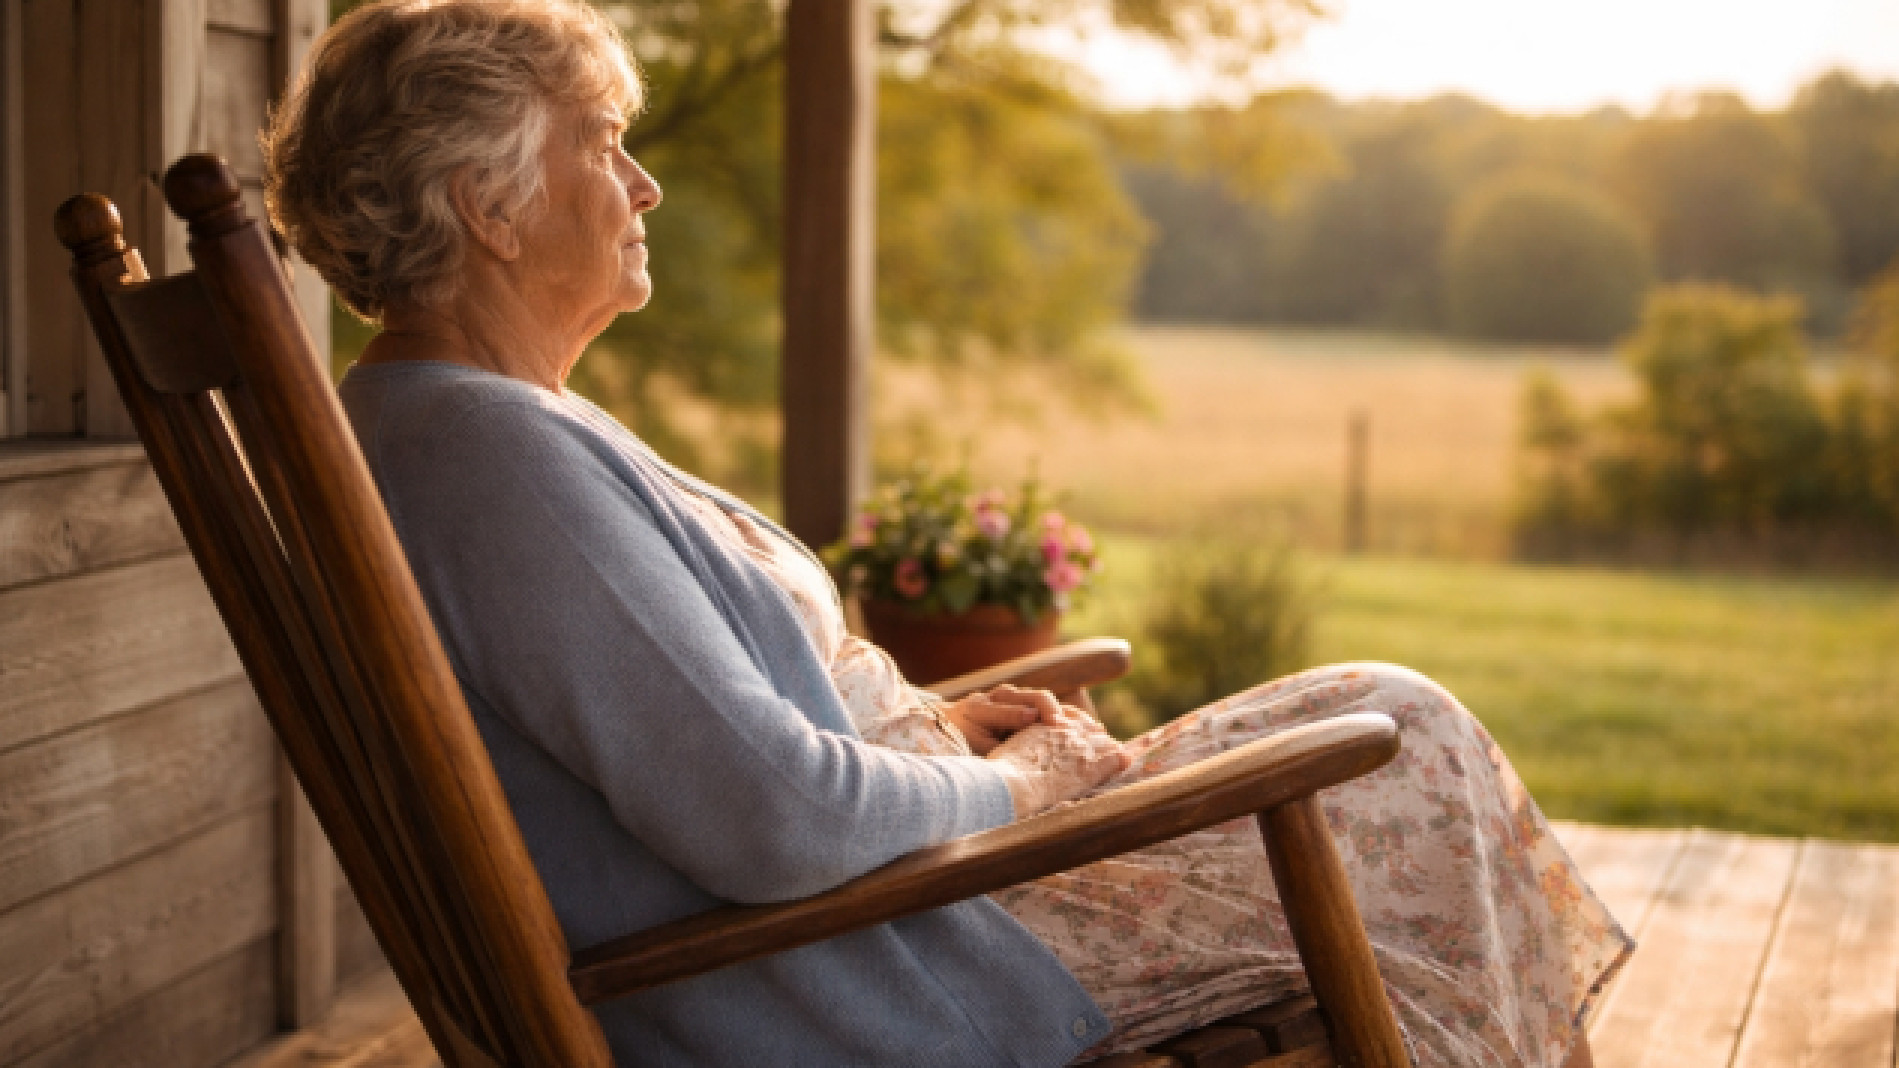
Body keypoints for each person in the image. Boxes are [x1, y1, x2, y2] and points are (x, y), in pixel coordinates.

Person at [265, 2, 1632, 1065]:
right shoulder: (492, 460)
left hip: (899, 909)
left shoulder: (466, 427)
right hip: (881, 975)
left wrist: (926, 725)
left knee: (1383, 728)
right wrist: (1030, 786)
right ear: (489, 205)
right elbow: (778, 820)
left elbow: (720, 742)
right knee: (1393, 750)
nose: (644, 186)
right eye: (601, 146)